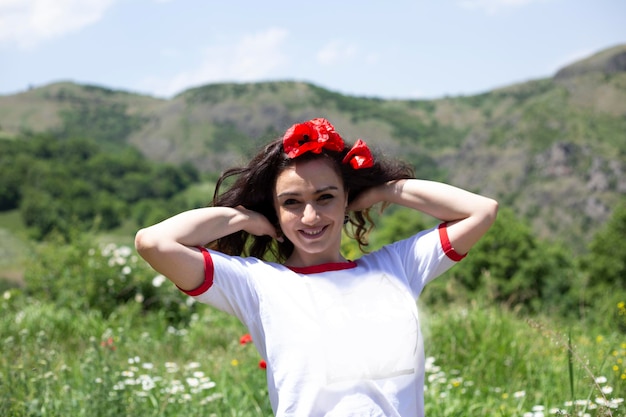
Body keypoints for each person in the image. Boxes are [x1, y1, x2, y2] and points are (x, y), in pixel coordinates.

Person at [135, 117, 498, 417]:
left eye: (325, 197)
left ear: (346, 201)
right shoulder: (257, 284)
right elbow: (154, 243)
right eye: (291, 202)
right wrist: (242, 217)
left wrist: (384, 190)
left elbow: (482, 211)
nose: (310, 216)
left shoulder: (397, 267)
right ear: (275, 210)